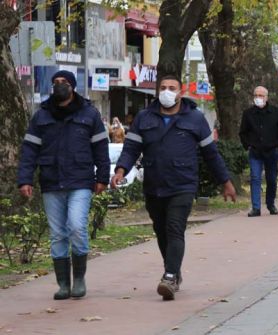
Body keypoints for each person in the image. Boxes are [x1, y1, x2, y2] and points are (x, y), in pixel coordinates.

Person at [111, 75, 236, 301]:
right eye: (163, 88)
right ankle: (174, 271)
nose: (166, 91)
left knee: (174, 227)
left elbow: (211, 154)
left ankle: (169, 276)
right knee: (161, 231)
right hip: (154, 185)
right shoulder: (144, 117)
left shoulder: (195, 118)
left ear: (180, 92)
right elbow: (131, 148)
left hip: (183, 184)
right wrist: (120, 170)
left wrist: (225, 182)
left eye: (172, 88)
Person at [17, 70, 110, 300]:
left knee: (77, 226)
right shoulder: (41, 116)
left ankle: (79, 279)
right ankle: (63, 284)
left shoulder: (89, 114)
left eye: (64, 82)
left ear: (73, 86)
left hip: (80, 179)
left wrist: (102, 178)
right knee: (58, 235)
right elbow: (29, 151)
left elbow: (101, 148)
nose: (59, 86)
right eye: (56, 82)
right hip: (51, 181)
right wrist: (25, 179)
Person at [239, 86, 278, 217]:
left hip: (272, 151)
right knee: (255, 178)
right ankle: (256, 207)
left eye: (261, 95)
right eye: (256, 95)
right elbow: (243, 132)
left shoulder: (276, 112)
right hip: (255, 151)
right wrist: (248, 145)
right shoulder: (248, 113)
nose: (258, 98)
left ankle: (270, 204)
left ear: (266, 97)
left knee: (271, 179)